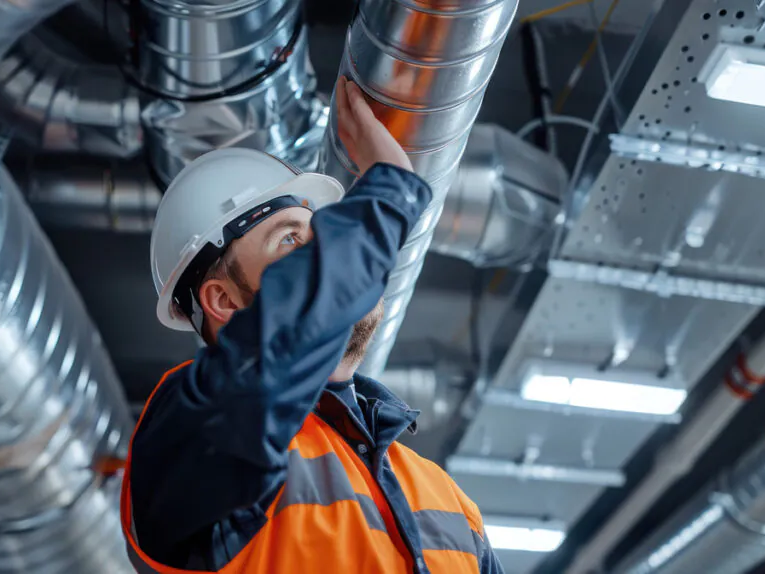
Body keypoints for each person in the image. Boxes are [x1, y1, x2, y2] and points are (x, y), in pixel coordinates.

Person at [121, 76, 504, 574]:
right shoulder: (195, 436)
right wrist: (389, 186)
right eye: (289, 241)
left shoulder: (445, 496)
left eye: (318, 234)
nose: (322, 252)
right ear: (224, 300)